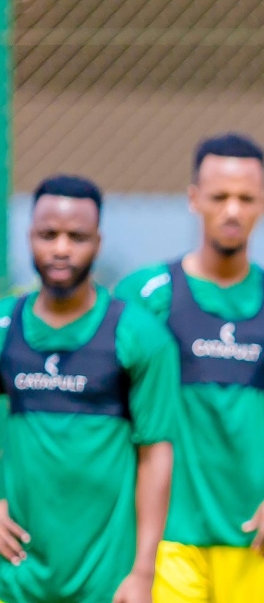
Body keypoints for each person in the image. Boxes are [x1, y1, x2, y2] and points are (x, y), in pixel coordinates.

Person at [115, 134, 264, 603]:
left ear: (263, 204)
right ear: (194, 200)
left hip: (256, 537)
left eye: (245, 198)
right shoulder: (144, 297)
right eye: (220, 197)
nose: (233, 210)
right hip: (165, 538)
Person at [0, 175, 178, 603]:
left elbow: (156, 453)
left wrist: (142, 571)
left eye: (76, 236)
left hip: (105, 581)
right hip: (14, 576)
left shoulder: (140, 336)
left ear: (98, 241)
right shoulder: (4, 328)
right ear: (29, 238)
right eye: (48, 234)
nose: (61, 248)